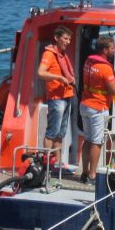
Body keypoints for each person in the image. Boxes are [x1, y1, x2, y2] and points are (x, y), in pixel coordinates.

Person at [79, 36, 115, 183]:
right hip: (98, 108)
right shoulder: (105, 68)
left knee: (87, 140)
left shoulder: (89, 61)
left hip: (85, 105)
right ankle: (92, 176)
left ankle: (84, 173)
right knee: (97, 142)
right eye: (112, 48)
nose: (114, 51)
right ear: (104, 50)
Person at [37, 27, 76, 164]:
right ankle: (46, 164)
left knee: (60, 134)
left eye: (69, 39)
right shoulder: (49, 54)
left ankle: (57, 164)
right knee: (52, 133)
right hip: (56, 98)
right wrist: (59, 78)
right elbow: (41, 73)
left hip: (67, 96)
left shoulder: (62, 54)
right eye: (65, 38)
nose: (68, 42)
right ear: (56, 38)